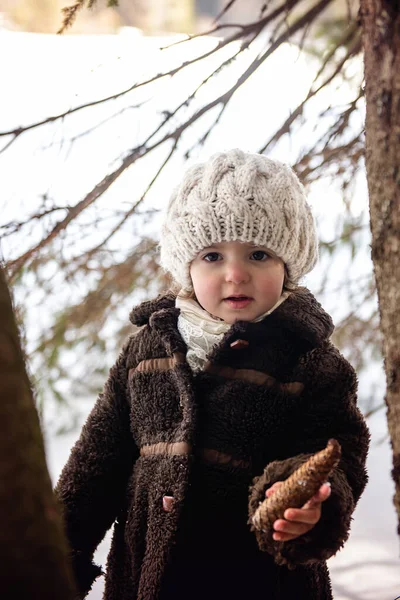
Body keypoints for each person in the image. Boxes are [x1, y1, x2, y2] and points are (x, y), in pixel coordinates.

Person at [55, 149, 370, 600]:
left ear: (289, 264)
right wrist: (56, 555)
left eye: (259, 254)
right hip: (142, 581)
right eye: (212, 255)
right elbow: (97, 460)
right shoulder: (148, 350)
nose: (235, 274)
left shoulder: (312, 362)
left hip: (261, 583)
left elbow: (337, 457)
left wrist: (306, 503)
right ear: (186, 265)